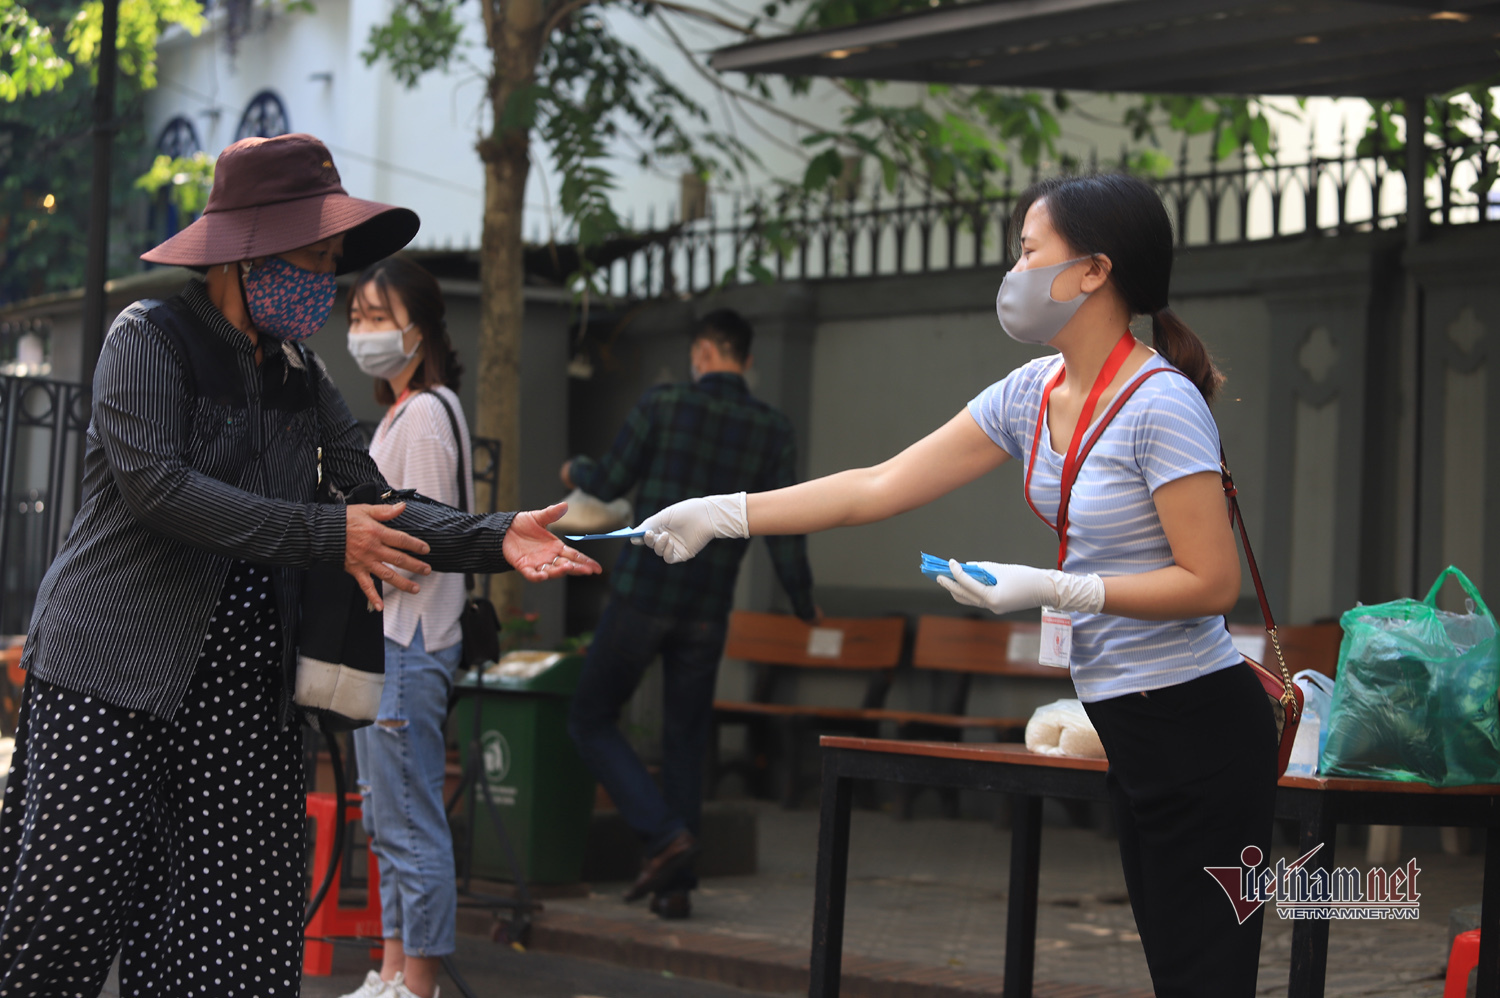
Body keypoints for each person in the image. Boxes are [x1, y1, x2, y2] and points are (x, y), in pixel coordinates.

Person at [632, 175, 1278, 996]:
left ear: (1093, 271)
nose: (1015, 271)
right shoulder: (1031, 392)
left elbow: (1212, 582)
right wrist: (724, 514)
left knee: (1205, 981)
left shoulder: (1162, 404)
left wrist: (1057, 588)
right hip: (1129, 723)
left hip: (1199, 728)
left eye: (1029, 251)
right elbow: (876, 486)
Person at [0, 133, 601, 998]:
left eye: (330, 260)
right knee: (61, 930)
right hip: (112, 675)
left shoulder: (301, 374)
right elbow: (160, 490)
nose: (327, 282)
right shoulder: (150, 338)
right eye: (314, 258)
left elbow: (374, 501)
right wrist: (328, 536)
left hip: (242, 699)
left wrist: (494, 537)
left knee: (232, 949)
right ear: (245, 251)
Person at [561, 309, 818, 920]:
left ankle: (663, 834)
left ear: (702, 353)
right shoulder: (772, 429)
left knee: (589, 718)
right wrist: (803, 600)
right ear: (746, 361)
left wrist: (575, 470)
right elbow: (786, 526)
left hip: (644, 593)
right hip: (708, 606)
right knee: (685, 739)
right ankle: (675, 890)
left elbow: (611, 481)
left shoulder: (663, 404)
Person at [340, 257, 473, 998]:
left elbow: (422, 538)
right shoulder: (409, 409)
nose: (363, 331)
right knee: (389, 818)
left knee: (409, 822)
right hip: (396, 640)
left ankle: (416, 982)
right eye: (357, 317)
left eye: (378, 318)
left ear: (417, 329)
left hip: (408, 639)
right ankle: (393, 969)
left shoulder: (421, 414)